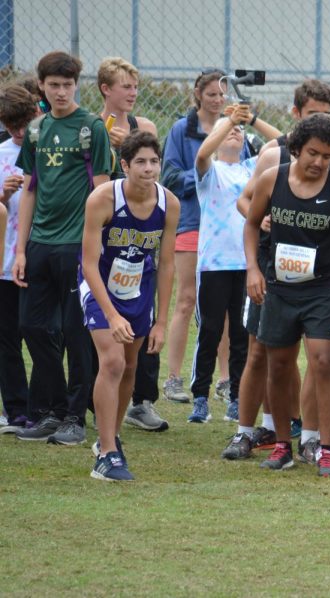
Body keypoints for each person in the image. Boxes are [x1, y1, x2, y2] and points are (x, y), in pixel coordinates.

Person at [246, 114, 330, 476]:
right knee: (278, 364)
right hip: (279, 287)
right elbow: (251, 225)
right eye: (312, 153)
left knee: (324, 360)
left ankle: (324, 446)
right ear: (296, 149)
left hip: (323, 288)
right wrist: (253, 269)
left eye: (327, 156)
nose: (319, 162)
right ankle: (282, 445)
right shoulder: (272, 179)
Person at [13, 51, 112, 445]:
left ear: (76, 86)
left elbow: (103, 188)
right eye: (53, 84)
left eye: (67, 85)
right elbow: (30, 191)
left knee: (75, 331)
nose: (60, 91)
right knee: (32, 326)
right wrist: (21, 250)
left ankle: (75, 416)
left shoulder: (90, 129)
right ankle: (54, 409)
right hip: (40, 243)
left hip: (77, 245)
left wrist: (98, 248)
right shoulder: (36, 131)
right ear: (41, 85)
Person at [79, 131, 178, 480]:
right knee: (113, 361)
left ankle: (112, 436)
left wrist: (162, 321)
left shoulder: (168, 204)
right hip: (99, 287)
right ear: (125, 165)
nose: (149, 169)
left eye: (154, 161)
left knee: (131, 367)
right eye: (140, 162)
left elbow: (166, 264)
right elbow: (89, 263)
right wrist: (110, 314)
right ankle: (105, 455)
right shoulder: (103, 199)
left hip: (138, 290)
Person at [95, 56, 169, 432]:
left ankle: (140, 403)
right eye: (126, 85)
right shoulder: (94, 127)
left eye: (136, 86)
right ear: (106, 89)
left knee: (135, 353)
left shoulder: (145, 127)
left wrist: (132, 147)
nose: (133, 93)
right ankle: (95, 419)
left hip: (139, 256)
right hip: (105, 235)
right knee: (108, 354)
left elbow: (157, 179)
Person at [161, 69, 229, 404]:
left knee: (225, 305)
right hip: (190, 222)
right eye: (212, 94)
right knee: (187, 300)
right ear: (198, 94)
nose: (218, 100)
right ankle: (173, 379)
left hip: (223, 229)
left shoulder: (232, 128)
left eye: (222, 95)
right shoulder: (180, 130)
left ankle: (226, 380)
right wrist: (203, 174)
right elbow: (169, 176)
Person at [187, 109, 258, 425]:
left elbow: (284, 143)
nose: (235, 131)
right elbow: (202, 152)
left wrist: (251, 119)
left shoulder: (251, 170)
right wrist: (229, 120)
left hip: (245, 264)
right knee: (211, 331)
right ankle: (200, 397)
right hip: (214, 264)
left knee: (243, 333)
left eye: (239, 130)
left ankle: (236, 397)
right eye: (228, 129)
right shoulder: (211, 170)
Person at [0, 83, 36, 434]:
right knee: (8, 339)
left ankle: (45, 405)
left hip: (40, 257)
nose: (20, 132)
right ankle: (16, 410)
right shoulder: (2, 153)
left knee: (42, 334)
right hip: (5, 262)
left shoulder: (46, 147)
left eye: (24, 123)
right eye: (13, 127)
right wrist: (3, 193)